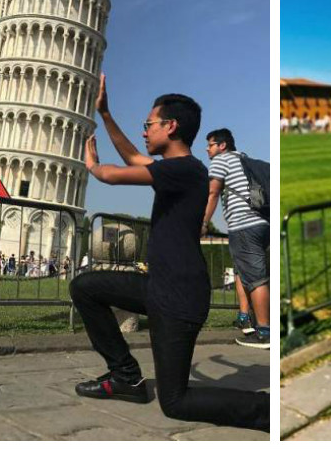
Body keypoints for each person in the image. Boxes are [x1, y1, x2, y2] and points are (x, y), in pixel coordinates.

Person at [69, 75, 269, 430]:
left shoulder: (186, 170)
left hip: (179, 298)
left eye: (148, 125)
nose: (144, 132)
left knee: (175, 402)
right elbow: (131, 155)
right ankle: (126, 376)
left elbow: (115, 173)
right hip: (159, 287)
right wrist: (105, 113)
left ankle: (265, 411)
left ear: (171, 126)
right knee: (85, 287)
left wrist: (92, 167)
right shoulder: (179, 170)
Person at [201, 128, 270, 349]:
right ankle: (244, 318)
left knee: (257, 277)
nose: (207, 149)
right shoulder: (243, 159)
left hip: (243, 224)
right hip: (261, 222)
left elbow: (212, 192)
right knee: (242, 270)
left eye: (210, 144)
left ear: (222, 146)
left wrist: (203, 222)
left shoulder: (221, 161)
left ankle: (264, 332)